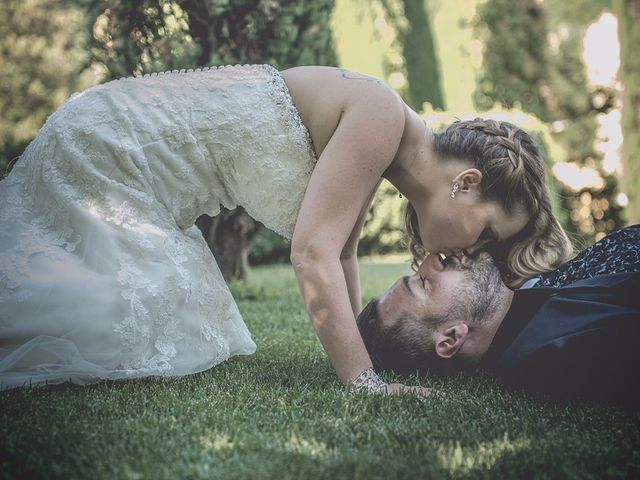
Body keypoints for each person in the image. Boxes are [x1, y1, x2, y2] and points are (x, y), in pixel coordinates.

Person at [0, 64, 570, 392]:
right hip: (112, 144)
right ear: (466, 184)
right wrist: (362, 384)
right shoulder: (380, 116)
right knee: (115, 319)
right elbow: (312, 254)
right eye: (489, 234)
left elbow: (342, 255)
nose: (475, 251)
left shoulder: (389, 143)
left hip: (132, 157)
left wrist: (361, 354)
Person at [356, 225, 640, 407]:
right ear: (452, 337)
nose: (432, 260)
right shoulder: (556, 353)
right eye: (423, 283)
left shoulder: (531, 289)